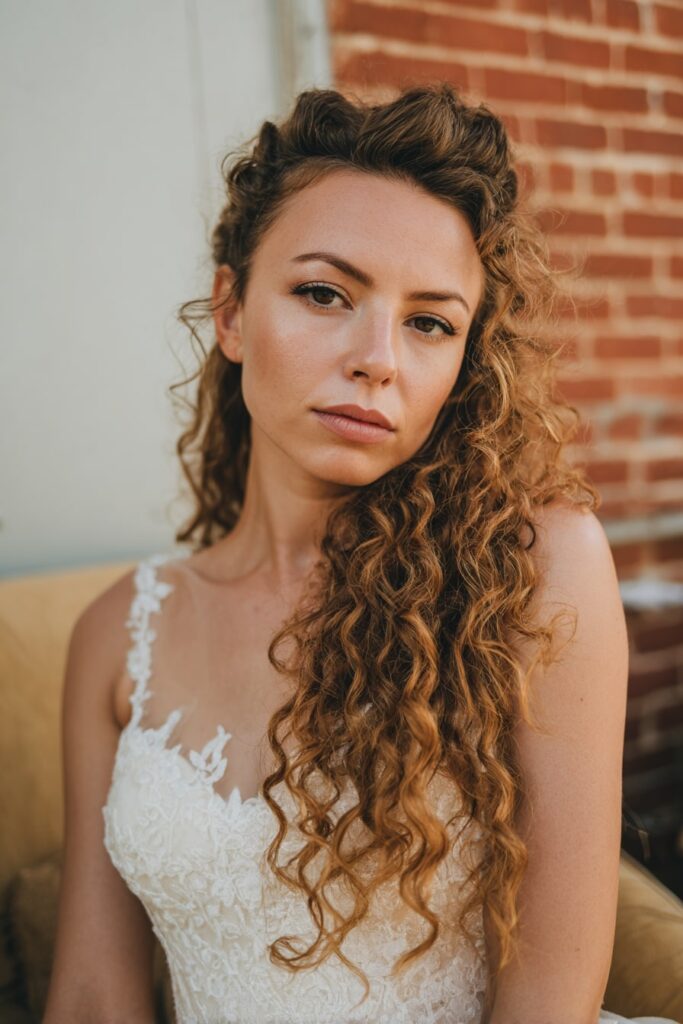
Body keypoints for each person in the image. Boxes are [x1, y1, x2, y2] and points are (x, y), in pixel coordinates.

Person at [42, 83, 679, 1024]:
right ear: (229, 310)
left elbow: (549, 996)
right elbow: (95, 995)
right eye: (323, 292)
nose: (377, 357)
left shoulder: (533, 571)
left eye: (429, 322)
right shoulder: (113, 636)